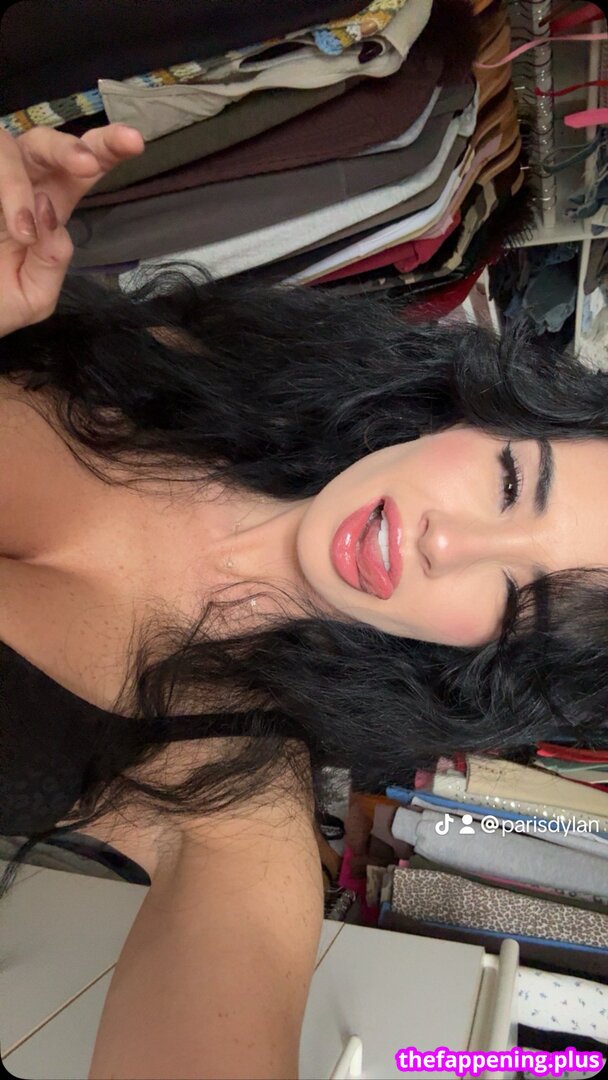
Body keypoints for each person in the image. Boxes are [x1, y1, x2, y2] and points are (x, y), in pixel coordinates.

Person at [1, 122, 607, 1079]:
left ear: (488, 665)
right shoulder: (186, 363)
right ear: (474, 411)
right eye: (507, 484)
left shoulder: (236, 802)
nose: (447, 543)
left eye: (517, 601)